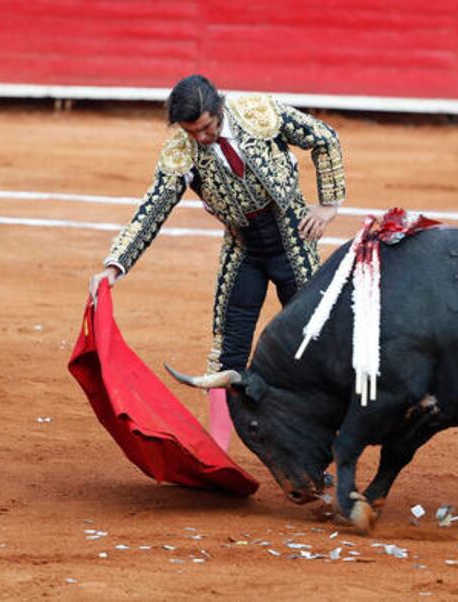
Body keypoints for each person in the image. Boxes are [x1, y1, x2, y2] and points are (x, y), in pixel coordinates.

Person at [88, 74, 346, 449]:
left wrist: (328, 204)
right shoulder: (182, 150)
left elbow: (324, 137)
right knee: (228, 352)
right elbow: (152, 208)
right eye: (192, 132)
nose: (202, 138)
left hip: (294, 239)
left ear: (219, 109)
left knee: (314, 341)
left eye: (206, 128)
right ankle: (218, 450)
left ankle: (324, 441)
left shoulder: (258, 112)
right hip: (243, 247)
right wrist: (114, 266)